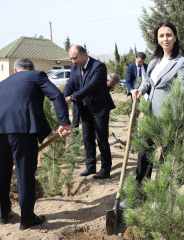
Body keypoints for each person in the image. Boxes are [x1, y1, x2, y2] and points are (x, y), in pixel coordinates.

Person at [0, 58, 71, 230]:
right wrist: (64, 122)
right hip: (23, 132)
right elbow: (56, 95)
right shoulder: (37, 75)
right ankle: (27, 219)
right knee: (24, 176)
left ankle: (3, 214)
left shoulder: (3, 82)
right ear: (31, 69)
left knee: (1, 174)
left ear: (15, 70)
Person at [130, 21, 184, 185]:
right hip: (151, 114)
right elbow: (148, 81)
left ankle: (160, 197)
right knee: (145, 152)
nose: (165, 39)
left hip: (169, 117)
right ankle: (141, 190)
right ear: (157, 39)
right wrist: (140, 90)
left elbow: (183, 90)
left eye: (169, 35)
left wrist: (175, 115)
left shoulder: (181, 62)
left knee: (166, 156)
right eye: (161, 35)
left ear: (175, 38)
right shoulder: (155, 60)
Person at [64, 45, 115, 179]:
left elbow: (90, 87)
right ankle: (90, 166)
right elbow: (70, 84)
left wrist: (72, 97)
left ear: (84, 55)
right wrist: (64, 97)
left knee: (101, 139)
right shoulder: (75, 67)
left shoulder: (99, 66)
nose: (73, 61)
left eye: (75, 58)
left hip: (99, 108)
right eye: (71, 59)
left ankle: (105, 169)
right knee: (87, 138)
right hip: (85, 108)